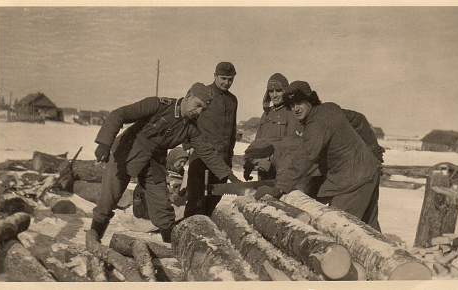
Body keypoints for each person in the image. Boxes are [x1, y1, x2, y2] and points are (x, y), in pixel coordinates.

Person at [88, 82, 240, 244]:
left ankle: (173, 245)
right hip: (126, 153)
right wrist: (104, 143)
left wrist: (229, 175)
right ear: (188, 96)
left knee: (162, 207)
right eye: (197, 106)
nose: (199, 112)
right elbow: (119, 114)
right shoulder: (158, 105)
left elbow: (208, 153)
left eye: (203, 109)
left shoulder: (191, 128)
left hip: (154, 162)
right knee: (108, 201)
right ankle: (93, 238)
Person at [255, 81, 382, 231]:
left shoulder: (316, 123)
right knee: (370, 231)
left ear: (310, 100)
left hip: (354, 182)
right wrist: (374, 151)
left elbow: (306, 157)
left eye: (300, 102)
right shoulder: (330, 108)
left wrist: (279, 188)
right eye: (292, 104)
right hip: (369, 172)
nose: (296, 108)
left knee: (337, 229)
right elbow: (358, 119)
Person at [184, 62, 239, 218]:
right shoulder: (204, 93)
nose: (226, 83)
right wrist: (188, 146)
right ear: (215, 76)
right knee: (195, 201)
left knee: (214, 200)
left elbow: (232, 131)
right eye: (223, 78)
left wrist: (229, 156)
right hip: (201, 157)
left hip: (222, 160)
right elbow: (189, 118)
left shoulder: (233, 100)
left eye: (230, 79)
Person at [243, 73, 302, 181]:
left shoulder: (292, 113)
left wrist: (271, 161)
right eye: (271, 91)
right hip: (263, 172)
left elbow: (292, 146)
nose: (274, 95)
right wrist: (249, 161)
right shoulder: (266, 114)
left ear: (285, 91)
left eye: (278, 91)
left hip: (281, 174)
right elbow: (258, 142)